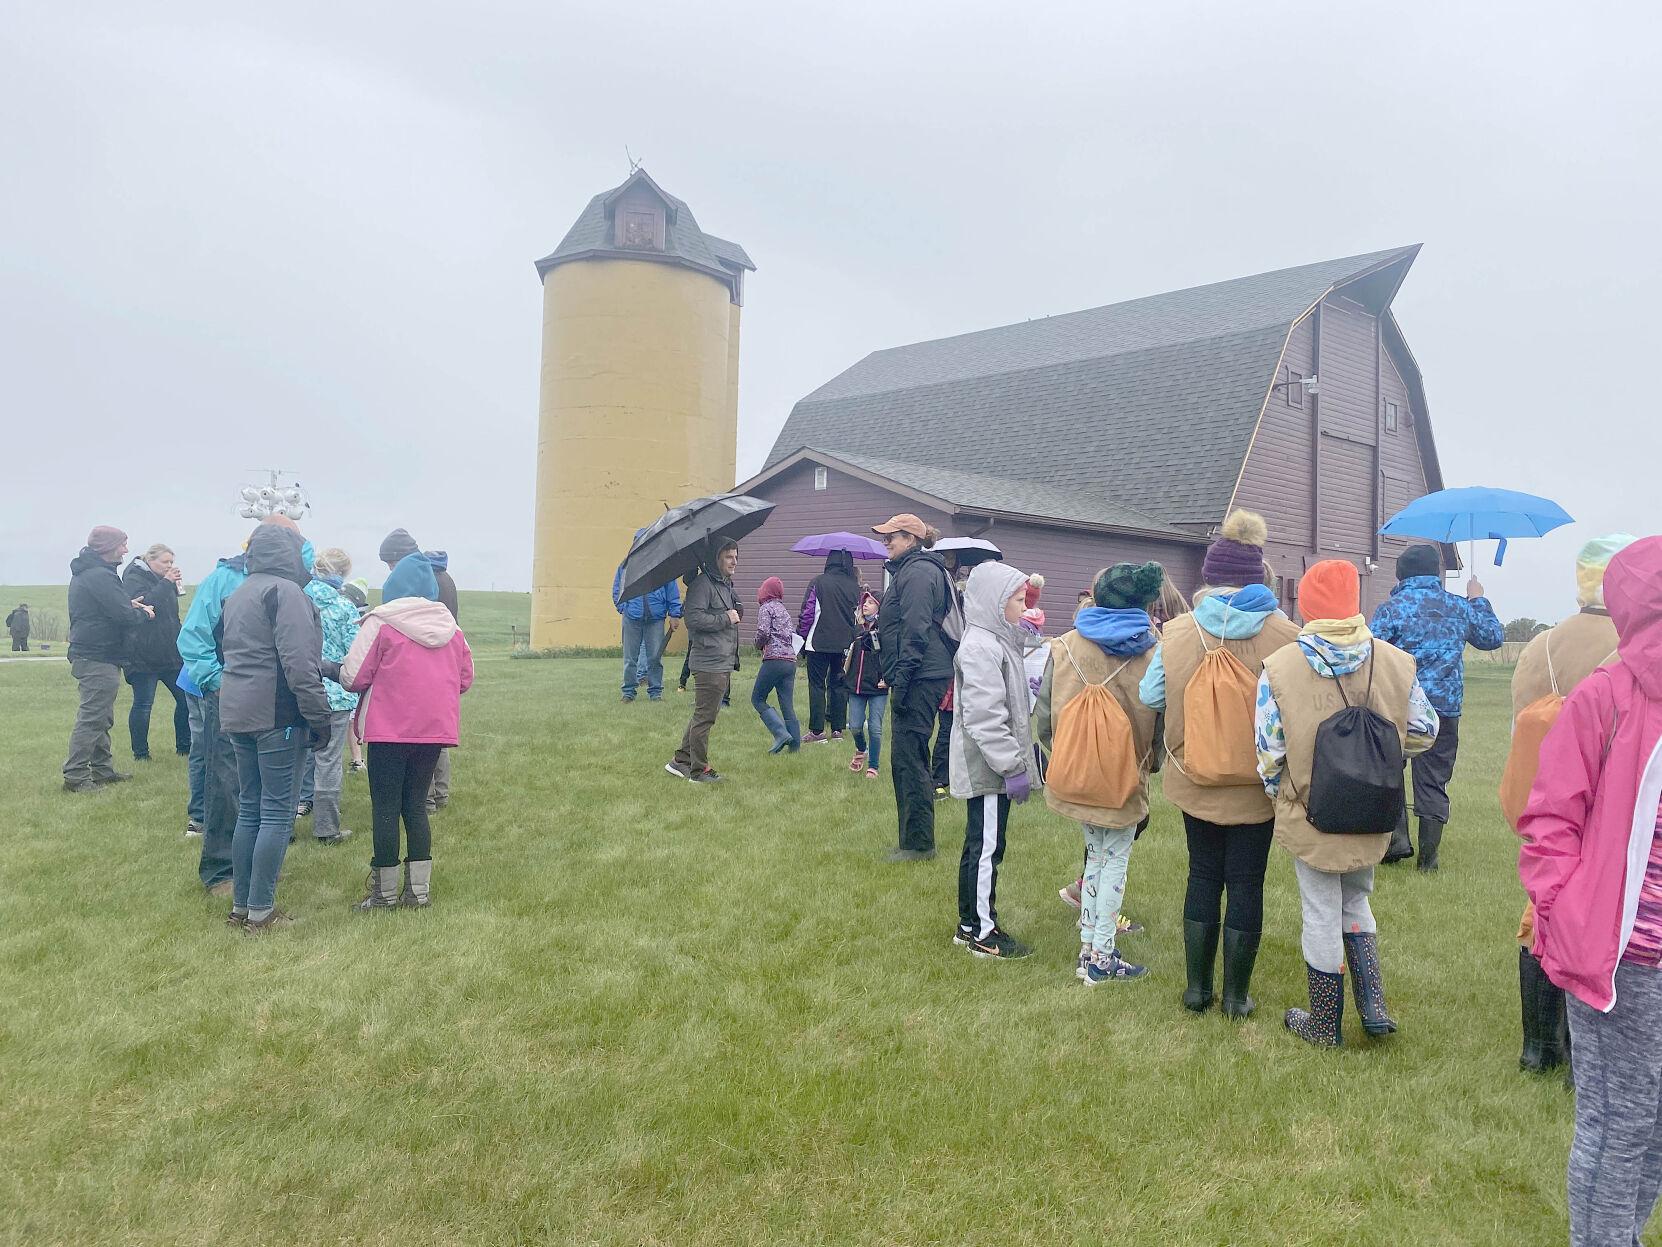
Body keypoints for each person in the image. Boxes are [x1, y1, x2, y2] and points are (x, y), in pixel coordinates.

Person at [1519, 536, 1662, 1247]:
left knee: (1655, 1119)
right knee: (1618, 1115)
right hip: (1619, 952)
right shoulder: (1606, 696)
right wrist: (1564, 911)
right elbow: (1549, 818)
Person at [1256, 559, 1438, 1047]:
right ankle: (1373, 1008)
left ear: (1308, 606)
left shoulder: (1280, 666)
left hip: (1308, 809)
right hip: (1374, 810)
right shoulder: (1396, 661)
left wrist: (1284, 793)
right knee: (1357, 898)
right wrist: (1385, 757)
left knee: (1319, 910)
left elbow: (1269, 751)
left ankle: (1324, 1025)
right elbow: (1425, 729)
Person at [1139, 510, 1300, 1017]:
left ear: (1209, 576)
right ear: (1258, 574)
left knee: (1202, 876)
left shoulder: (1179, 632)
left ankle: (1195, 989)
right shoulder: (1285, 633)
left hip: (1195, 777)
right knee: (1248, 882)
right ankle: (1236, 996)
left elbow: (1151, 694)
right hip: (1257, 785)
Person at [1508, 535, 1634, 1073]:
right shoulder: (1634, 646)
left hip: (1543, 798)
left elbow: (1520, 724)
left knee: (1540, 907)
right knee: (1607, 914)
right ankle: (1585, 1044)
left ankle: (1537, 1045)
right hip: (1609, 803)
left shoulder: (1541, 645)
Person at [1035, 562, 1164, 983]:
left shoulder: (1065, 645)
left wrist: (1067, 753)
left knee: (1095, 857)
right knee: (1114, 863)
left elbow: (1044, 719)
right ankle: (1100, 957)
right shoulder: (1152, 650)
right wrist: (1152, 762)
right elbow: (1163, 719)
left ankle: (1089, 944)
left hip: (1077, 770)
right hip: (1127, 772)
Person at [180, 516, 314, 895]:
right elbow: (192, 637)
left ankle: (255, 876)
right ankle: (222, 873)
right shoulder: (224, 579)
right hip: (231, 697)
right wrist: (221, 682)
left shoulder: (289, 585)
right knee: (227, 785)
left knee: (259, 798)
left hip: (272, 704)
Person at [218, 524, 333, 932]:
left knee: (250, 808)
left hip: (237, 710)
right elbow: (299, 666)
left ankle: (241, 907)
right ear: (289, 555)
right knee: (277, 813)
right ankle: (262, 912)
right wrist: (319, 717)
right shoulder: (287, 594)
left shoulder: (238, 593)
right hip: (276, 715)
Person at [341, 557, 474, 910]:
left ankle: (383, 894)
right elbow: (465, 679)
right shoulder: (452, 628)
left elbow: (353, 677)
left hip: (388, 730)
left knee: (385, 808)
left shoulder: (381, 622)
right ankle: (418, 892)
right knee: (415, 806)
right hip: (432, 731)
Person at [1371, 542, 1504, 869]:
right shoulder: (1459, 607)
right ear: (1436, 573)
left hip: (1398, 708)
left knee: (1389, 773)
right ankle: (1428, 860)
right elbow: (1492, 637)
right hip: (1444, 708)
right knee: (1433, 780)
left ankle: (1395, 844)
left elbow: (1371, 654)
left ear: (1401, 574)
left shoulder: (1392, 609)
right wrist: (1477, 598)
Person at [949, 561, 1038, 957]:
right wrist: (1012, 766)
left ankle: (970, 923)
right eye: (1017, 601)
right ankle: (980, 933)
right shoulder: (981, 647)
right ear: (994, 602)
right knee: (986, 849)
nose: (1024, 607)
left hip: (995, 766)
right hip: (988, 768)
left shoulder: (996, 641)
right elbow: (985, 717)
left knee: (983, 845)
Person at [874, 515, 955, 861]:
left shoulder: (919, 572)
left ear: (910, 538)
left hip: (920, 675)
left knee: (910, 759)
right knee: (906, 757)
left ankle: (919, 845)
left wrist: (902, 679)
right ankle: (912, 840)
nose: (886, 542)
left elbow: (916, 630)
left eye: (891, 537)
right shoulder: (912, 570)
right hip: (919, 673)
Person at [62, 526, 151, 793]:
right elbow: (122, 616)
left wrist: (126, 604)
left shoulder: (92, 573)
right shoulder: (100, 575)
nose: (126, 550)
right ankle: (76, 776)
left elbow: (109, 607)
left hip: (94, 652)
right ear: (108, 547)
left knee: (101, 716)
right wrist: (142, 614)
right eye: (122, 545)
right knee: (92, 717)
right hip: (97, 654)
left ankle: (102, 770)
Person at [379, 528, 458, 812]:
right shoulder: (444, 580)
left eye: (391, 564)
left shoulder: (418, 588)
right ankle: (440, 794)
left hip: (418, 669)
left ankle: (423, 798)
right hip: (443, 671)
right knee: (437, 739)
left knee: (420, 738)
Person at [667, 539, 742, 784]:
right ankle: (699, 771)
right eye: (729, 556)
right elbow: (694, 620)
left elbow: (734, 612)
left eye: (736, 556)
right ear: (716, 559)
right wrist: (725, 618)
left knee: (704, 713)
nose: (734, 561)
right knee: (705, 717)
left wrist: (735, 608)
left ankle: (680, 760)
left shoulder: (722, 584)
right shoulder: (702, 585)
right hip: (709, 661)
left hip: (721, 658)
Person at [301, 547, 360, 846]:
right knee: (328, 761)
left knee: (292, 760)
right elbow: (354, 653)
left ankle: (280, 825)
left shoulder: (296, 599)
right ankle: (326, 828)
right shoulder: (344, 608)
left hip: (298, 688)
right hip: (334, 694)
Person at [120, 544, 190, 762]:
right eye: (164, 562)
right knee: (143, 703)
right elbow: (146, 604)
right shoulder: (134, 576)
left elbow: (170, 615)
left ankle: (185, 747)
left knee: (186, 699)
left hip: (170, 652)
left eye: (171, 562)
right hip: (143, 653)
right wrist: (167, 582)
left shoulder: (165, 581)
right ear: (150, 560)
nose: (169, 566)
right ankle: (141, 753)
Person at [797, 551, 860, 743]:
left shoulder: (818, 582)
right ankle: (837, 730)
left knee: (817, 685)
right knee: (839, 685)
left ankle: (817, 732)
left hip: (819, 642)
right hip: (844, 645)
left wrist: (801, 637)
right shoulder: (854, 587)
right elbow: (856, 617)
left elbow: (808, 613)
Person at [613, 532, 683, 703]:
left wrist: (674, 614)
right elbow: (617, 589)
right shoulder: (625, 566)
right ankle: (628, 693)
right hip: (632, 618)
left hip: (656, 619)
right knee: (630, 659)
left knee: (655, 658)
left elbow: (672, 592)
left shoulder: (662, 566)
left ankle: (655, 693)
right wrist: (623, 607)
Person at [751, 576, 802, 753]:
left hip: (774, 660)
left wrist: (757, 644)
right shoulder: (783, 610)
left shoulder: (766, 608)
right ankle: (795, 745)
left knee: (757, 698)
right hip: (790, 662)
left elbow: (763, 632)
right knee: (787, 703)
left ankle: (780, 733)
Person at [844, 591, 886, 779]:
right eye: (864, 602)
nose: (865, 605)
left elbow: (889, 655)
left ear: (879, 607)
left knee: (875, 728)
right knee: (855, 726)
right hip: (856, 685)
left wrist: (887, 677)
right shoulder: (857, 628)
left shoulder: (885, 629)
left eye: (871, 602)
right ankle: (861, 749)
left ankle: (873, 766)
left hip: (878, 686)